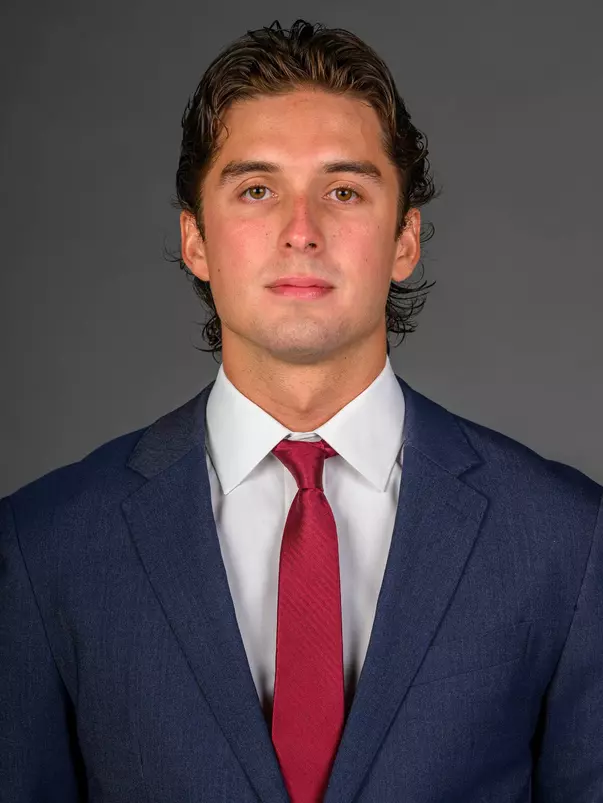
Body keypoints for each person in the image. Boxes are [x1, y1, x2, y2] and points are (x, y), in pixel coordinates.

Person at [1, 18, 601, 803]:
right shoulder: (43, 546)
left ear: (404, 241)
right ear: (196, 242)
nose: (300, 231)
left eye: (343, 190)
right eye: (256, 190)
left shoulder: (566, 540)